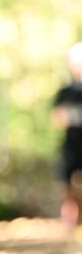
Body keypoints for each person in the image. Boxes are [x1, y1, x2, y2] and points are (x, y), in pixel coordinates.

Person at [52, 42, 82, 230]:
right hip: (71, 146)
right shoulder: (65, 91)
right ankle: (72, 221)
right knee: (67, 186)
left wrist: (72, 116)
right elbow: (57, 117)